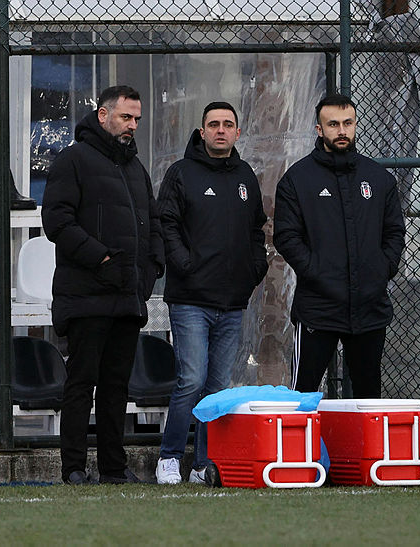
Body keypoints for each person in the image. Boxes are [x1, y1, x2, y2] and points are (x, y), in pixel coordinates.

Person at [42, 85, 164, 485]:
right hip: (86, 295)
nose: (132, 125)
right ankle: (74, 468)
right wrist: (103, 258)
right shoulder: (73, 160)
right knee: (81, 383)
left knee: (117, 387)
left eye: (137, 119)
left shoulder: (135, 167)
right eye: (126, 117)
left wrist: (151, 269)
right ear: (102, 115)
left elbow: (153, 223)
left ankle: (114, 467)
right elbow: (56, 222)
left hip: (128, 297)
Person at [155, 101, 268, 485]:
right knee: (191, 379)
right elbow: (165, 224)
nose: (221, 130)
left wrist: (255, 269)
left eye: (228, 124)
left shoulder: (246, 176)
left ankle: (204, 464)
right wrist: (185, 264)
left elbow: (256, 230)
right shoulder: (181, 173)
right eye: (213, 124)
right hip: (190, 300)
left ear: (238, 132)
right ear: (202, 132)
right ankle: (169, 457)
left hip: (232, 302)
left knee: (217, 388)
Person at [273, 93, 406, 398]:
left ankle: (362, 449)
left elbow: (395, 232)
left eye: (348, 123)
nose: (342, 130)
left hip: (369, 306)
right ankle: (301, 448)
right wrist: (317, 272)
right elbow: (286, 236)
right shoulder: (298, 179)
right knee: (303, 395)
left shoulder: (379, 178)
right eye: (333, 124)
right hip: (319, 307)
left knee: (368, 397)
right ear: (319, 130)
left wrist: (381, 271)